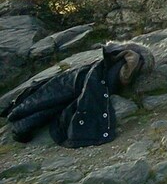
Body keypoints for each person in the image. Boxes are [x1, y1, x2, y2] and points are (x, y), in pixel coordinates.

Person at [1, 42, 154, 147]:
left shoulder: (123, 60)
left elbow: (124, 75)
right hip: (80, 77)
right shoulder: (116, 61)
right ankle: (20, 118)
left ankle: (19, 118)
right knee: (50, 96)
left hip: (82, 78)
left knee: (50, 96)